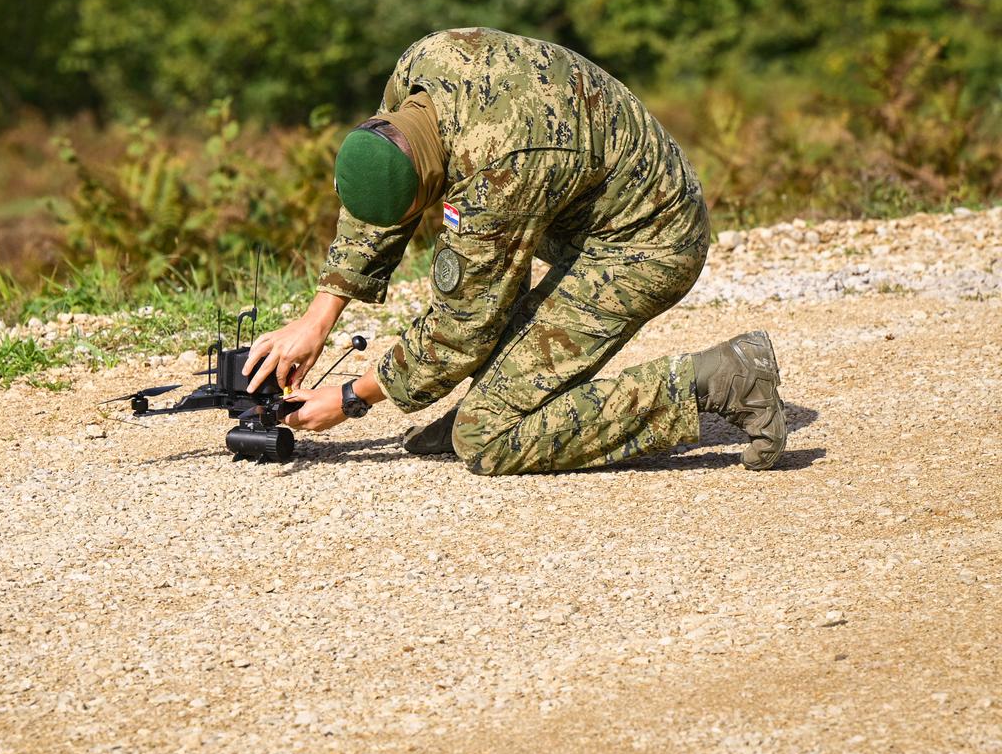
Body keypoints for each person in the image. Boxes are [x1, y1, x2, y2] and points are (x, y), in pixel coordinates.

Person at [243, 28, 785, 474]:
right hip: (577, 199)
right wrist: (318, 318)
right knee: (490, 294)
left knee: (488, 438)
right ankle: (499, 397)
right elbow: (380, 175)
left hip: (649, 238)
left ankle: (722, 380)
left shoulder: (497, 174)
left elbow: (461, 328)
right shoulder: (421, 66)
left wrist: (351, 398)